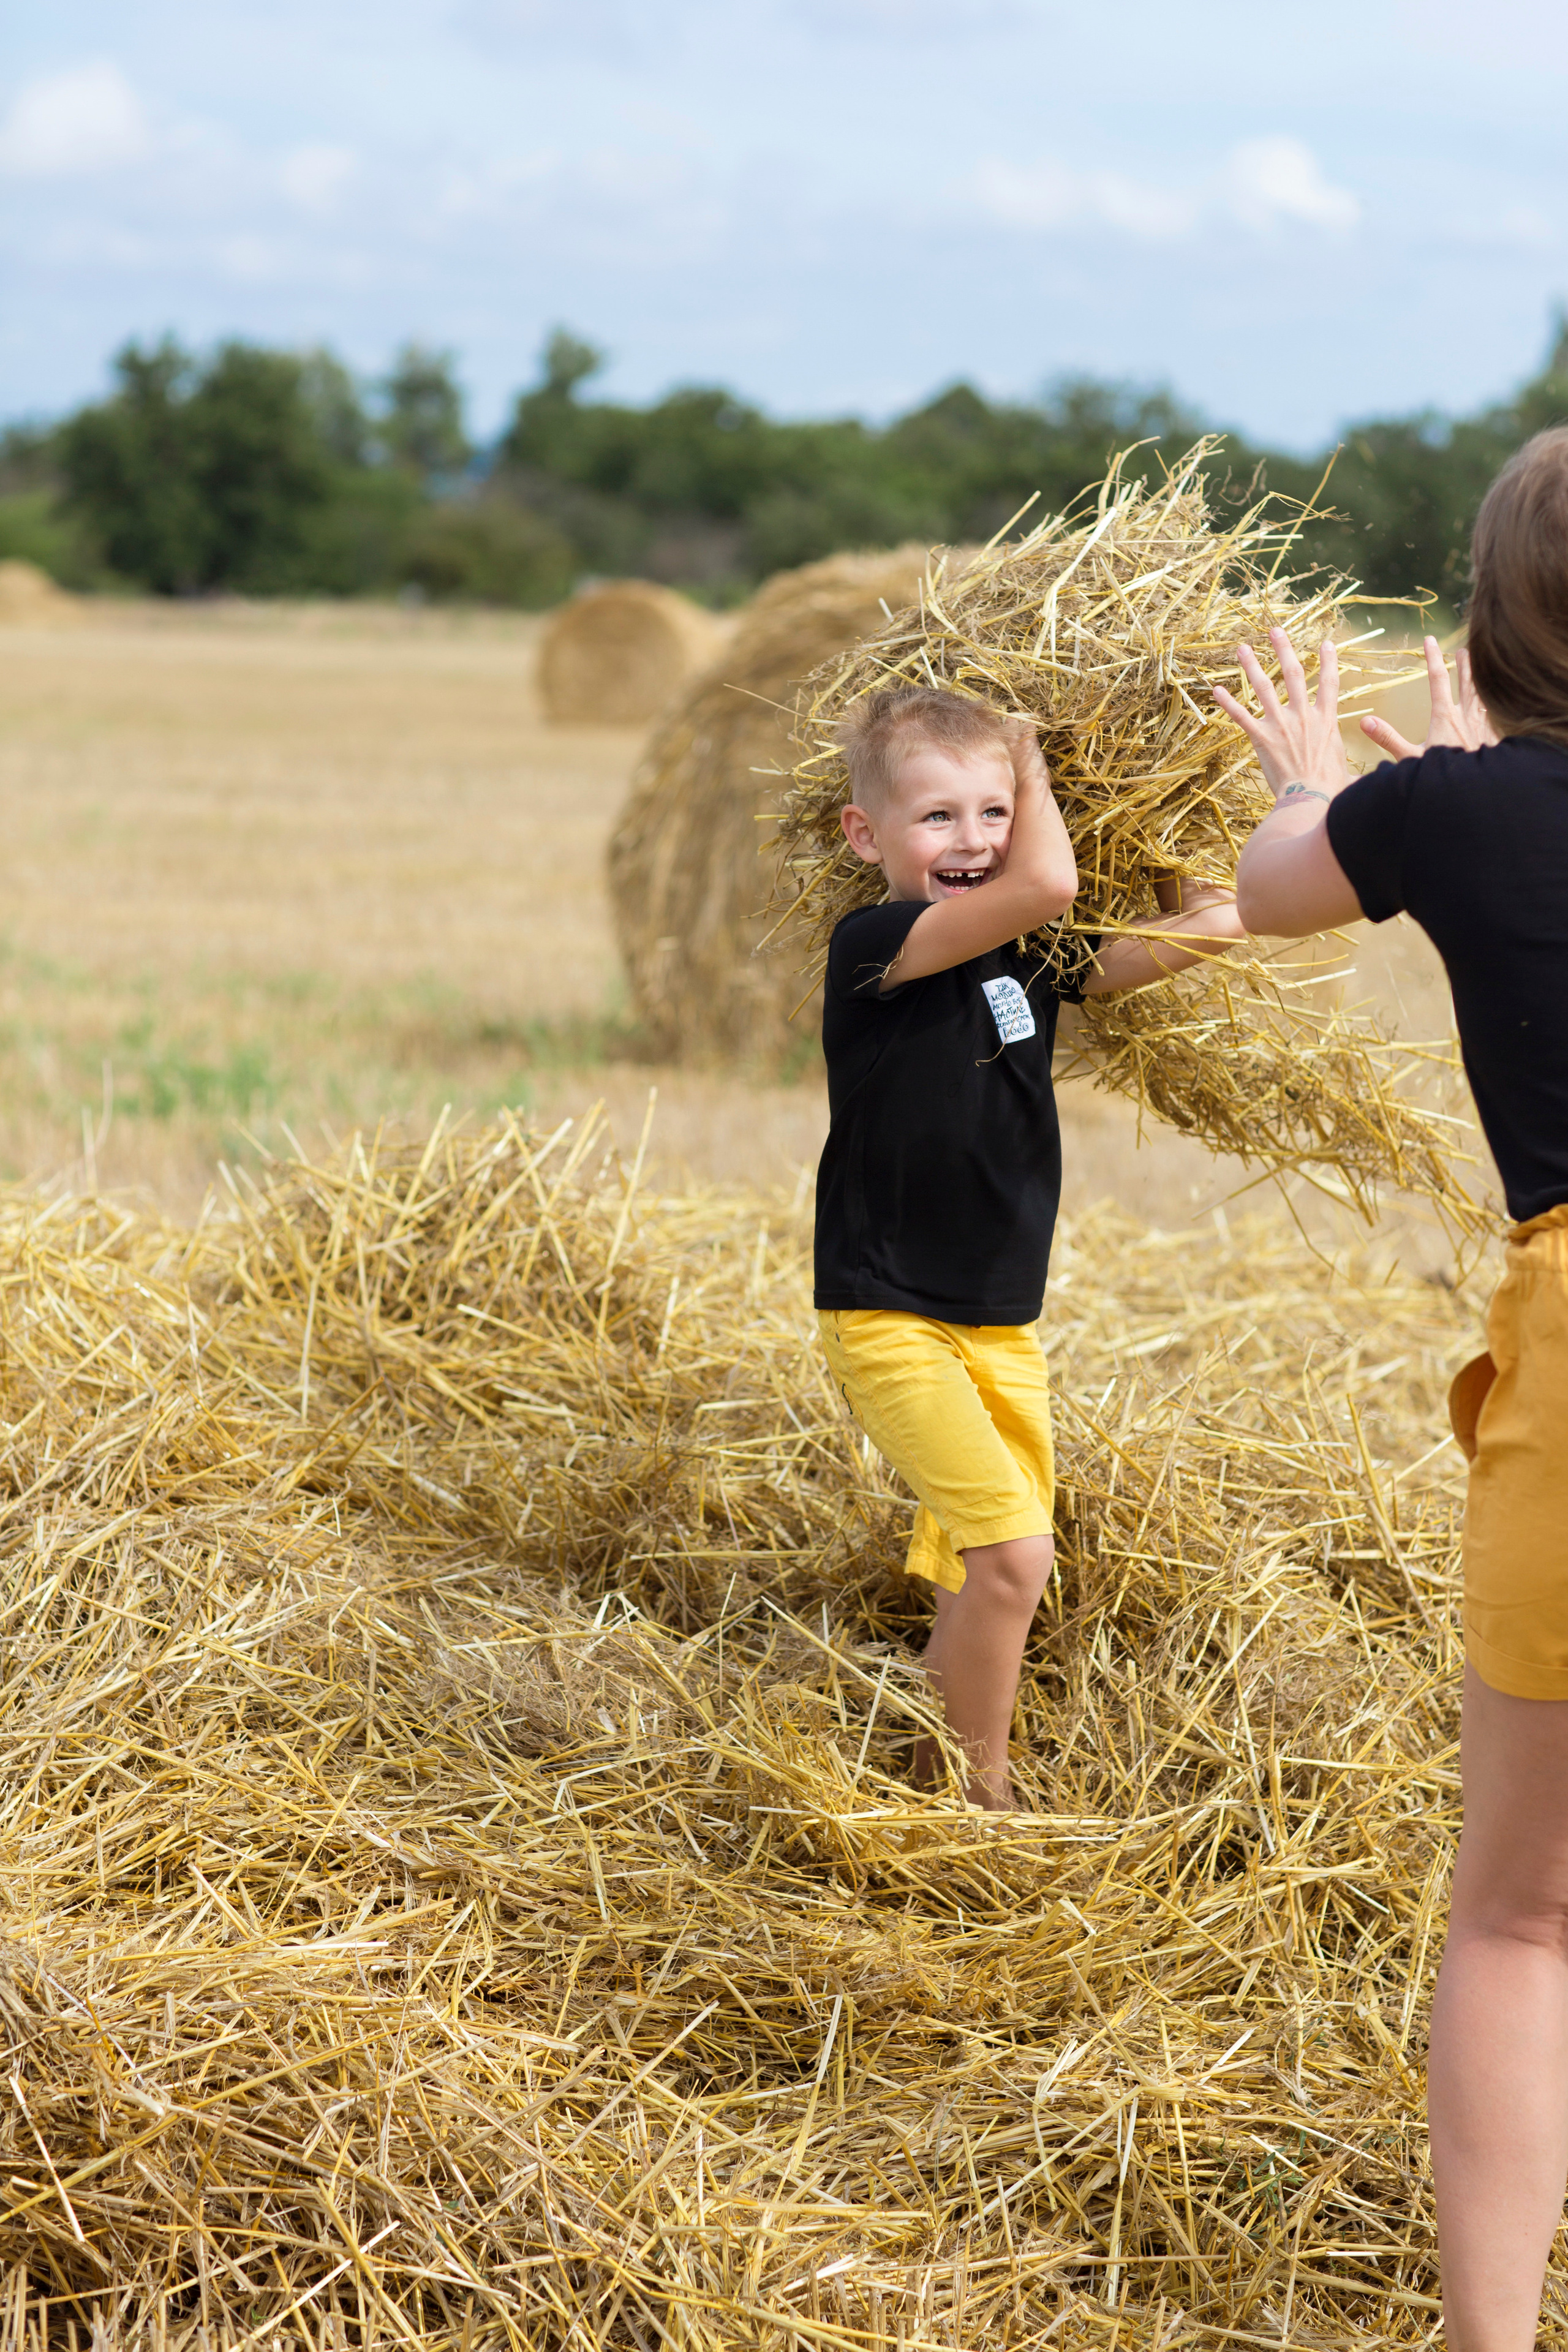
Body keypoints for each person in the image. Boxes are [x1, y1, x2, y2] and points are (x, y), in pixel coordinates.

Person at [1216, 424, 1568, 2352]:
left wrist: (1333, 780)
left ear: (1499, 620)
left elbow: (1273, 888)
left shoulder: (1453, 811)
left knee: (1526, 1915)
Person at [813, 684, 1246, 1810]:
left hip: (1000, 1318)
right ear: (866, 836)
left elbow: (1214, 924)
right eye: (939, 817)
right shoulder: (875, 947)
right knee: (1014, 1556)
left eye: (994, 812)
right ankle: (986, 1800)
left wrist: (1150, 804)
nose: (974, 840)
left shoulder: (1031, 962)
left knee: (983, 1563)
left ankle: (933, 1775)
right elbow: (1047, 880)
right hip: (890, 1309)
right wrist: (1030, 757)